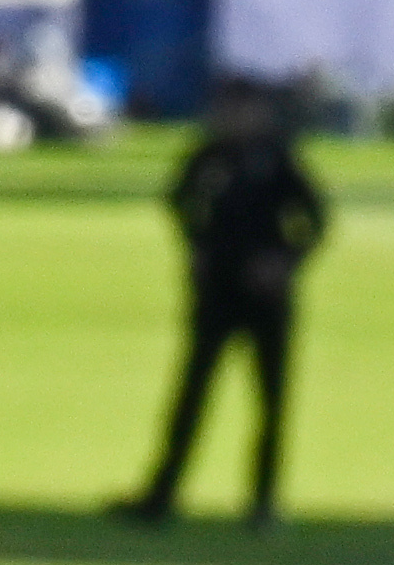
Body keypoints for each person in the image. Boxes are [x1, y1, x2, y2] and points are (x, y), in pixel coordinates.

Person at [116, 79, 329, 525]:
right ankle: (163, 495)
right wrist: (197, 247)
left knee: (269, 400)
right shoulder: (210, 155)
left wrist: (284, 263)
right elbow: (178, 200)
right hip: (217, 293)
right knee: (192, 394)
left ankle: (263, 500)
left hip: (267, 299)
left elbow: (316, 217)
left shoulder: (275, 157)